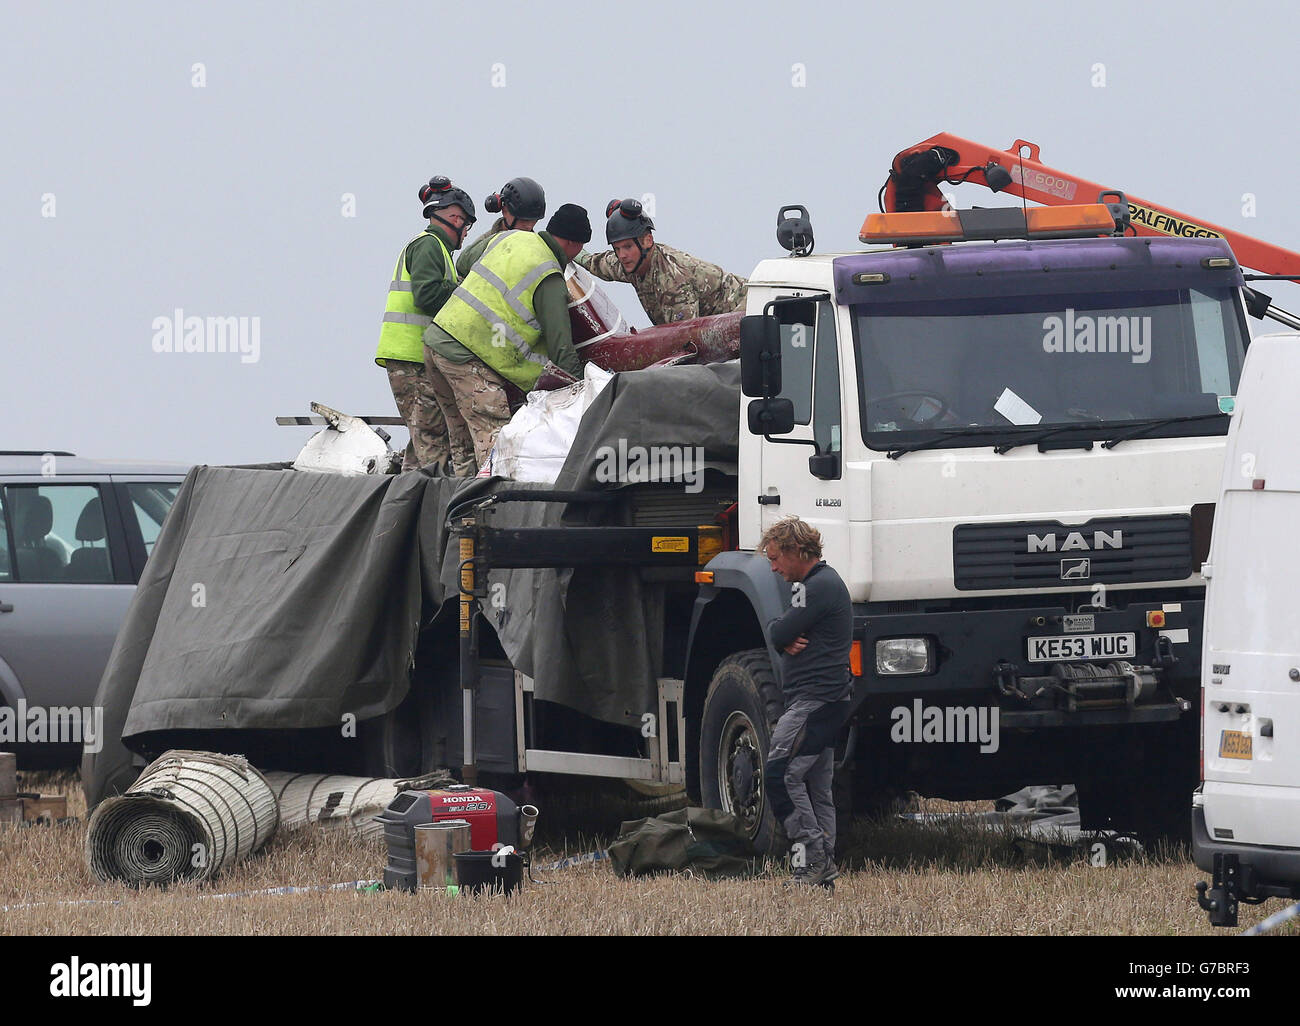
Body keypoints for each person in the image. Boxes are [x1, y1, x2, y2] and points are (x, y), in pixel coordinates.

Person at [423, 203, 586, 474]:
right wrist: (581, 394)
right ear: (573, 244)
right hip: (467, 358)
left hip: (436, 342)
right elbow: (562, 348)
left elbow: (463, 261)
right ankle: (490, 513)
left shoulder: (510, 236)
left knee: (462, 443)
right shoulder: (550, 276)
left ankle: (456, 512)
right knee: (497, 445)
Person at [759, 516, 854, 888]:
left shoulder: (817, 587)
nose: (773, 567)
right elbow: (782, 630)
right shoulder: (816, 585)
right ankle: (822, 867)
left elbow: (780, 629)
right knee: (816, 785)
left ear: (795, 550)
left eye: (775, 558)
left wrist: (781, 635)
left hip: (814, 701)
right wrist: (781, 634)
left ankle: (813, 858)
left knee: (780, 775)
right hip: (827, 700)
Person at [375, 175, 475, 472]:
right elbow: (427, 294)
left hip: (410, 358)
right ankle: (426, 508)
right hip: (413, 359)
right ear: (455, 218)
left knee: (422, 441)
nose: (466, 234)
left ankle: (406, 505)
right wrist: (467, 289)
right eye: (466, 225)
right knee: (431, 440)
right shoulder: (430, 245)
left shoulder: (434, 248)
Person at [576, 198, 747, 325]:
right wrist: (568, 248)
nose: (622, 255)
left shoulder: (673, 283)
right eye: (617, 248)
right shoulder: (630, 261)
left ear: (647, 241)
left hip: (747, 311)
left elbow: (686, 341)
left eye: (627, 247)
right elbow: (597, 263)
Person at [455, 176, 547, 278]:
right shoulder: (485, 244)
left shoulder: (539, 251)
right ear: (504, 210)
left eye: (534, 220)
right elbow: (462, 267)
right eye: (523, 220)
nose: (529, 225)